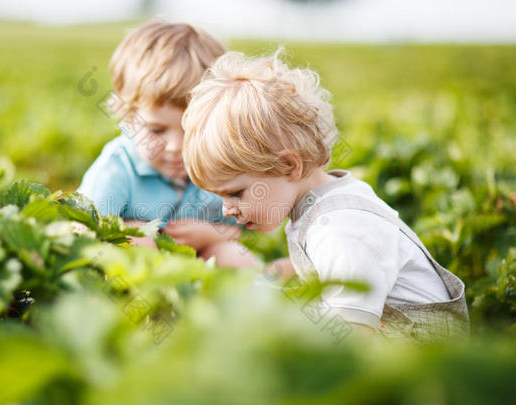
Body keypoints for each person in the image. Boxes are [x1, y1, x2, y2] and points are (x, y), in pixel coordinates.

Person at [181, 50, 469, 341]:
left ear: (289, 165)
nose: (227, 209)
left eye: (236, 193)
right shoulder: (323, 204)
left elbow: (352, 339)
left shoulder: (341, 229)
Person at [77, 20, 259, 269]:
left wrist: (210, 233)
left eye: (192, 130)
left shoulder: (219, 169)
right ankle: (146, 304)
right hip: (130, 274)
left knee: (231, 253)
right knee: (137, 240)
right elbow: (79, 230)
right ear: (129, 120)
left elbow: (243, 231)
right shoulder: (117, 168)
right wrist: (124, 230)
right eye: (156, 130)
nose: (176, 146)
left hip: (193, 268)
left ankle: (248, 301)